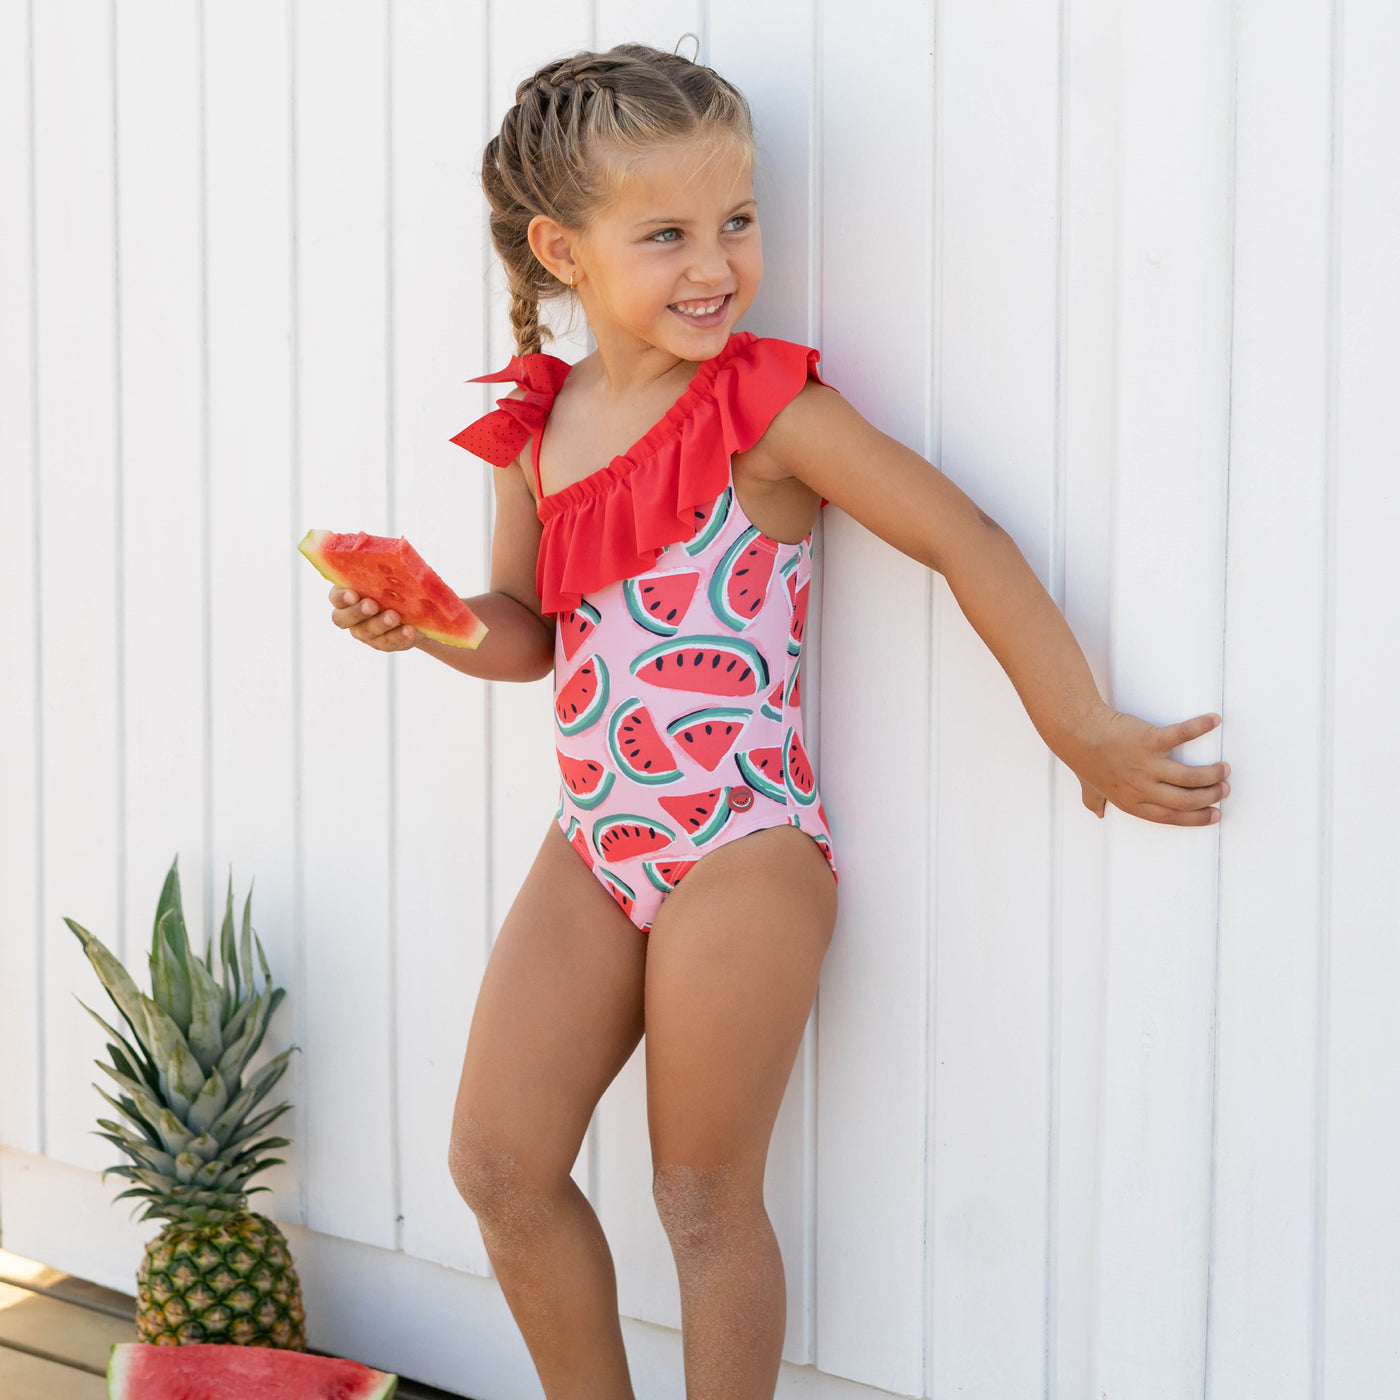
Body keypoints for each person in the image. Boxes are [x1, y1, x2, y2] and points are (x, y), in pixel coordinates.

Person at [324, 40, 1231, 1400]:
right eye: (667, 235)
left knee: (700, 1194)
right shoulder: (537, 429)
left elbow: (961, 537)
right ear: (563, 253)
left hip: (743, 844)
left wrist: (1077, 722)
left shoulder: (764, 410)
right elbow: (528, 631)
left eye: (737, 221)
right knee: (498, 1163)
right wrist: (433, 622)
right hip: (596, 838)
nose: (716, 264)